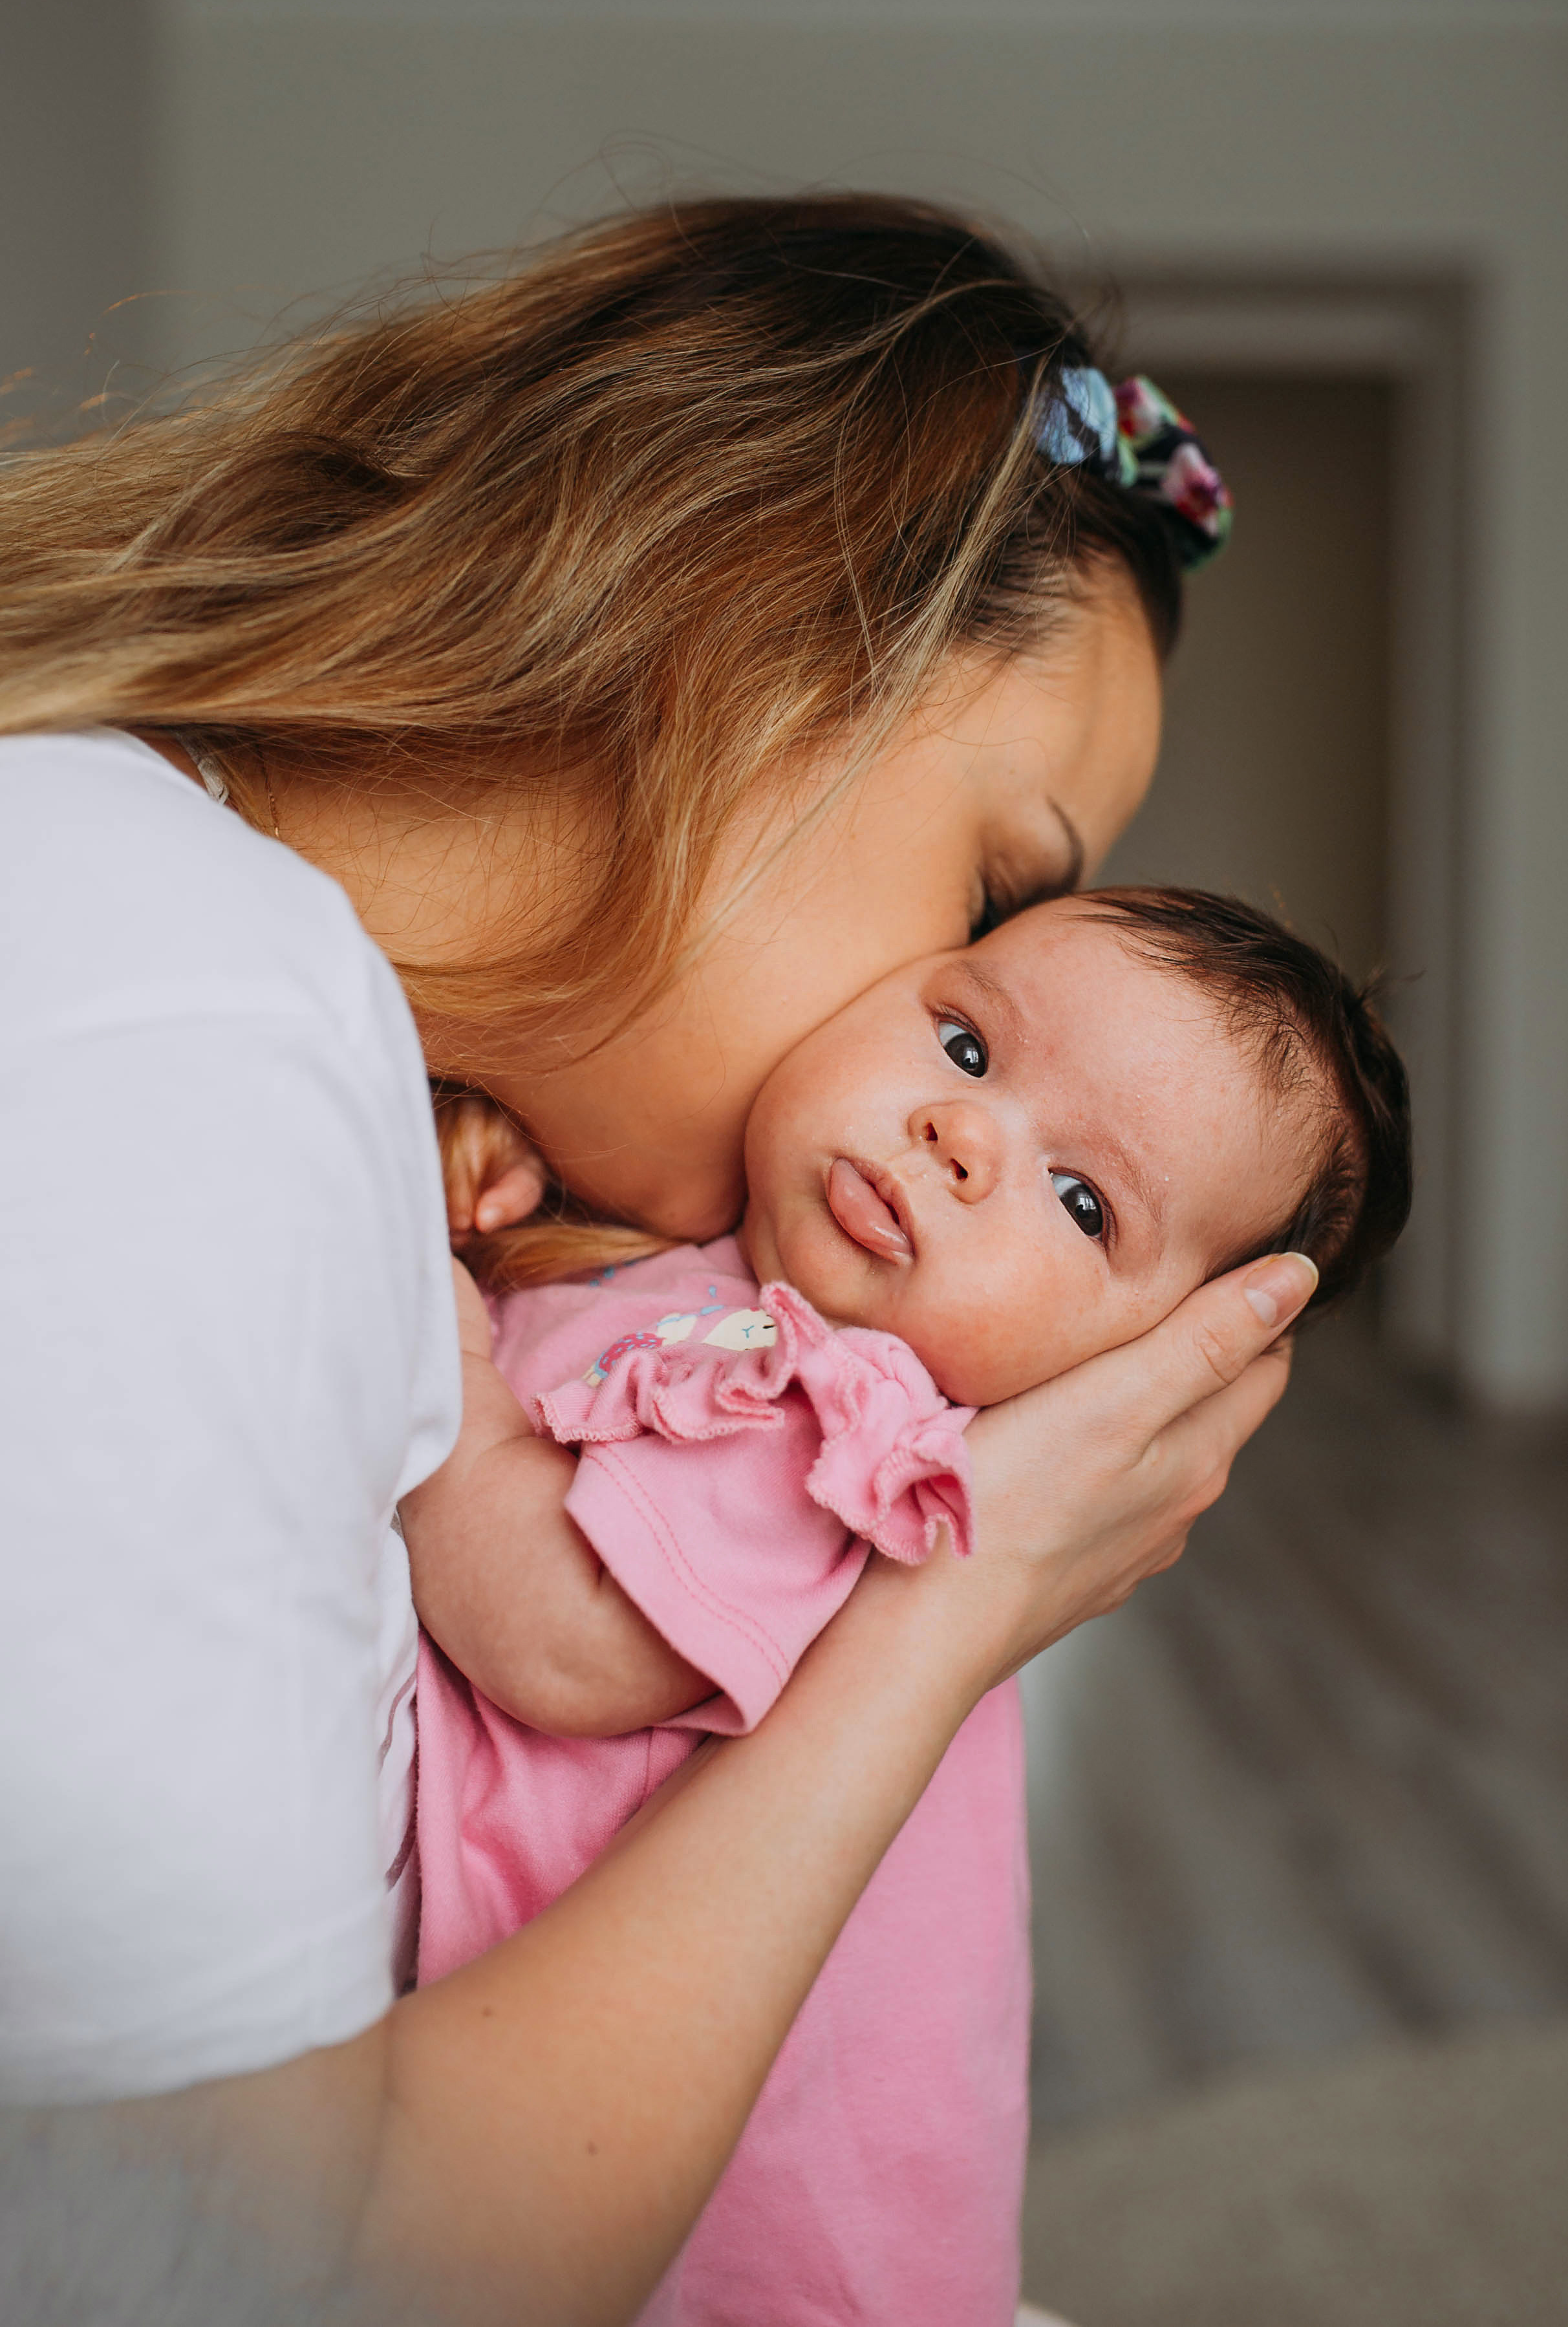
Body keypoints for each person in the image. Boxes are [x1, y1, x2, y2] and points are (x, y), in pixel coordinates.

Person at [0, 196, 1320, 2325]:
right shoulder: (168, 1044)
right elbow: (305, 2280)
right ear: (740, 619)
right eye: (988, 907)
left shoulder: (272, 1028)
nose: (941, 1082)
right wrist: (955, 1602)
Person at [407, 886, 1412, 2326]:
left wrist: (427, 1322)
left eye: (1081, 1201)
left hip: (723, 2257)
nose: (963, 1134)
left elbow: (556, 1634)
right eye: (961, 1041)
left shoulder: (843, 1417)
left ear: (1134, 1378)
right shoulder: (720, 1290)